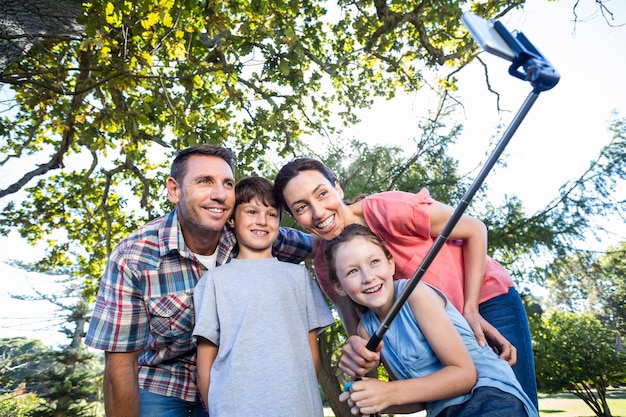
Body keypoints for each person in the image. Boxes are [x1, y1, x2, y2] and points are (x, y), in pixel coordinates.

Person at [274, 157, 539, 408]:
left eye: (322, 194)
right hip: (433, 325)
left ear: (338, 188)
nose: (318, 212)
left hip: (482, 298)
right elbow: (360, 332)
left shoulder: (387, 209)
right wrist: (359, 355)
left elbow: (473, 229)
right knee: (455, 402)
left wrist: (471, 310)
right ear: (295, 218)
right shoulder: (325, 264)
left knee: (510, 396)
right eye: (301, 207)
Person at [85, 145, 315, 417]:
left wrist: (366, 214)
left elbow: (325, 242)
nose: (219, 194)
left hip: (233, 381)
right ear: (174, 190)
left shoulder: (254, 234)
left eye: (227, 184)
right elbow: (120, 364)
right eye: (205, 181)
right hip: (162, 382)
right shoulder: (134, 257)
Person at [326, 224, 539, 417]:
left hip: (488, 397)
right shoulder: (366, 329)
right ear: (338, 287)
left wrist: (389, 392)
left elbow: (464, 376)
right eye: (353, 271)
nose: (368, 277)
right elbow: (417, 397)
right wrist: (373, 399)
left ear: (390, 264)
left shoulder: (414, 293)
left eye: (374, 262)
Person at [193, 176, 334, 416]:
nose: (262, 221)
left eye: (271, 214)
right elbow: (205, 360)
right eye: (251, 211)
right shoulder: (214, 282)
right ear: (231, 220)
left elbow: (311, 353)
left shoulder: (299, 277)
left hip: (298, 407)